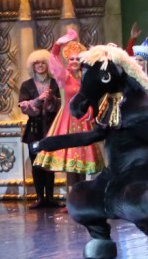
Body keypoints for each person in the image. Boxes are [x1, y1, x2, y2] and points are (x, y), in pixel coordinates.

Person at [34, 28, 102, 193]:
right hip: (68, 121)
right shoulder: (64, 77)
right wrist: (58, 44)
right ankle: (72, 196)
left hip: (84, 120)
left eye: (77, 59)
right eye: (71, 59)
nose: (74, 61)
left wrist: (91, 112)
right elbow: (53, 59)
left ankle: (81, 196)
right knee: (70, 162)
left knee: (82, 163)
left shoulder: (86, 79)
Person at [18, 48, 63, 208]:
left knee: (49, 163)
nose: (40, 65)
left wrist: (51, 99)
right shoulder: (27, 85)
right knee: (36, 163)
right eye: (36, 63)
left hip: (51, 127)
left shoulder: (55, 83)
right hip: (34, 129)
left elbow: (62, 103)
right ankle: (39, 198)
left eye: (43, 62)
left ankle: (50, 197)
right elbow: (23, 106)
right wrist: (38, 100)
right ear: (32, 66)